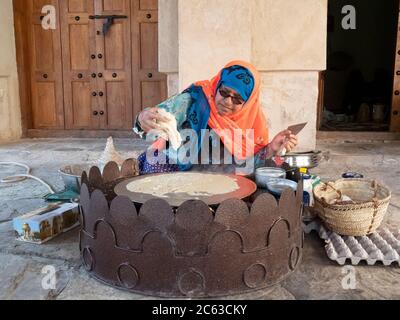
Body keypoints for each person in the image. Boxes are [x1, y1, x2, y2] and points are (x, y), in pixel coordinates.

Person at [133, 60, 298, 175]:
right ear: (217, 85)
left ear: (248, 103)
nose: (227, 101)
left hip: (215, 177)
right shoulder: (194, 99)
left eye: (237, 99)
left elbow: (247, 166)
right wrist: (144, 118)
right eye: (224, 92)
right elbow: (161, 114)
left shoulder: (252, 121)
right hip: (174, 166)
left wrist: (271, 149)